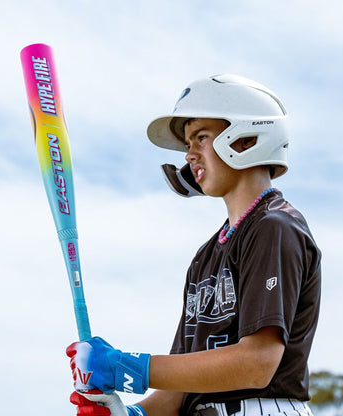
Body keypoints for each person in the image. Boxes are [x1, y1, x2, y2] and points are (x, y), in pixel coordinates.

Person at [66, 74, 322, 416]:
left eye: (200, 137)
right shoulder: (205, 256)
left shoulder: (274, 227)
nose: (189, 156)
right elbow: (180, 389)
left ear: (246, 139)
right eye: (188, 144)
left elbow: (257, 363)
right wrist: (129, 413)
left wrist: (128, 367)